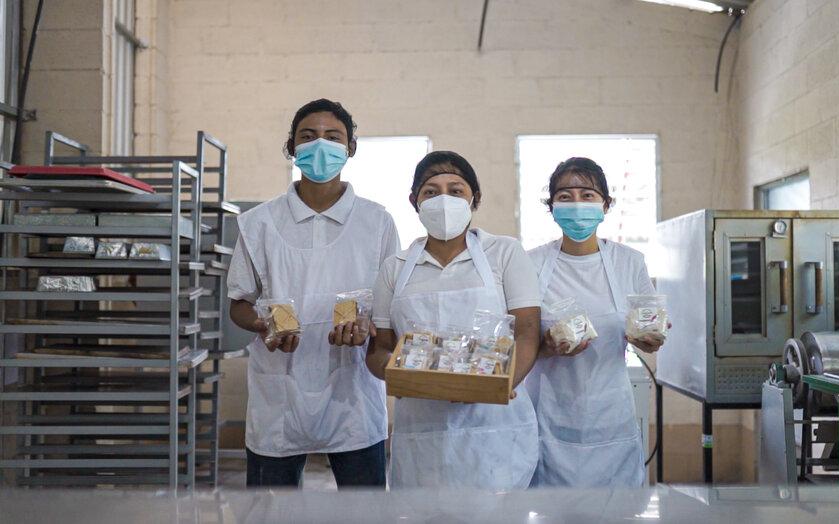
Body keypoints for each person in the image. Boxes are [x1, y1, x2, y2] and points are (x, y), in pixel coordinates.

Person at [226, 98, 400, 488]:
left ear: (351, 148)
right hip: (280, 391)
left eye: (332, 136)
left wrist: (368, 329)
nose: (320, 144)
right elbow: (238, 302)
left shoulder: (377, 222)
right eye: (308, 136)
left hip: (353, 390)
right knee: (270, 512)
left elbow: (390, 308)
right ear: (291, 147)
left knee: (363, 511)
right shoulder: (259, 223)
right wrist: (263, 325)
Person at [365, 151, 542, 490]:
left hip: (494, 427)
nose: (443, 200)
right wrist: (409, 376)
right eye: (431, 191)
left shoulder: (504, 253)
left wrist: (498, 384)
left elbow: (528, 333)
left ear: (475, 199)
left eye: (456, 190)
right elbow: (379, 349)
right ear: (414, 201)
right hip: (421, 429)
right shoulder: (395, 268)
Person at [525, 157, 667, 488]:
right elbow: (517, 340)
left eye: (587, 195)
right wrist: (546, 348)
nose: (576, 205)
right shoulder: (529, 264)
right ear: (552, 206)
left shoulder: (629, 262)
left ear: (606, 204)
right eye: (565, 196)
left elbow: (650, 324)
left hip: (611, 419)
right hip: (547, 420)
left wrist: (651, 339)